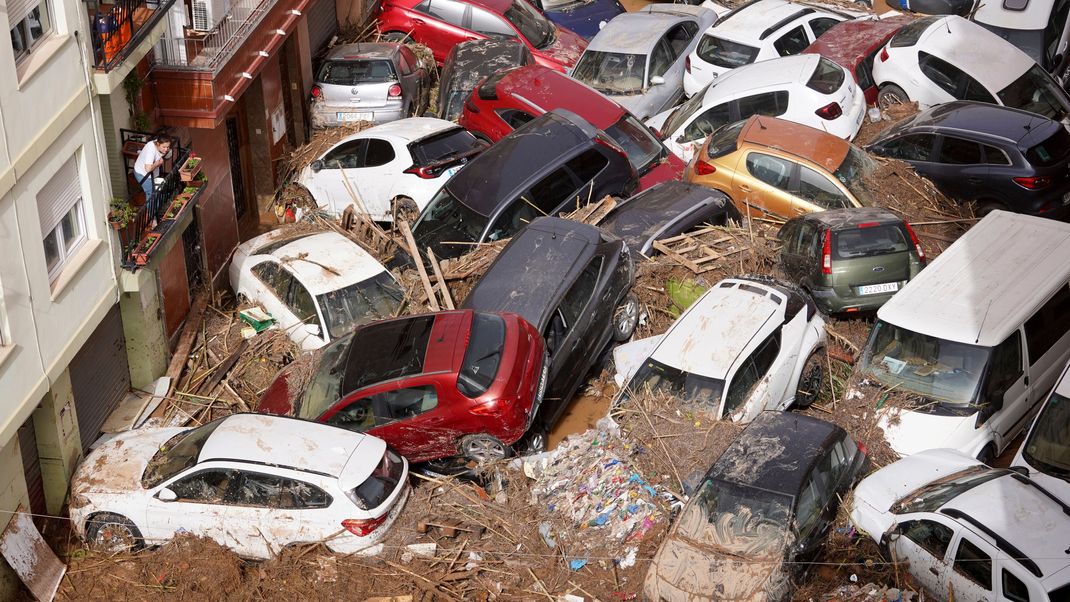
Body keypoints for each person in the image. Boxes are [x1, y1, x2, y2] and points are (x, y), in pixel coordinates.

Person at [133, 135, 172, 205]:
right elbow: (148, 169)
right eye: (164, 147)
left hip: (153, 174)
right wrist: (157, 163)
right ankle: (151, 214)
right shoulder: (151, 151)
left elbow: (162, 152)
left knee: (157, 190)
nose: (166, 149)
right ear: (158, 144)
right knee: (150, 194)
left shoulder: (158, 143)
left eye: (168, 147)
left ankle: (158, 205)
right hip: (143, 174)